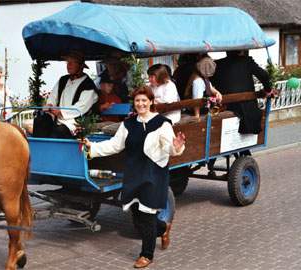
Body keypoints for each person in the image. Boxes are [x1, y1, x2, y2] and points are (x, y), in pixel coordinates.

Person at [83, 85, 186, 268]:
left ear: (151, 102)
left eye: (144, 100)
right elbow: (114, 145)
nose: (140, 104)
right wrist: (92, 148)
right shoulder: (128, 124)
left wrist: (176, 146)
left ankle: (147, 255)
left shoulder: (162, 123)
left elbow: (171, 148)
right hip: (133, 173)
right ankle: (163, 228)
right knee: (138, 217)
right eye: (137, 101)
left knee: (146, 215)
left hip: (153, 174)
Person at [33, 51, 98, 138]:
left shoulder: (88, 86)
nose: (69, 65)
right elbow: (53, 96)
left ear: (81, 66)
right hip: (57, 119)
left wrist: (60, 112)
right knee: (40, 121)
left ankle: (50, 150)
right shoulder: (63, 80)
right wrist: (50, 105)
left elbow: (80, 108)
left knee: (59, 131)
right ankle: (38, 149)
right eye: (67, 62)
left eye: (72, 62)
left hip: (74, 123)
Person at [211, 50, 272, 134]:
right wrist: (268, 90)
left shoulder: (218, 64)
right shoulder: (246, 61)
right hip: (248, 107)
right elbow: (264, 75)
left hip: (227, 106)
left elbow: (212, 83)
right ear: (241, 52)